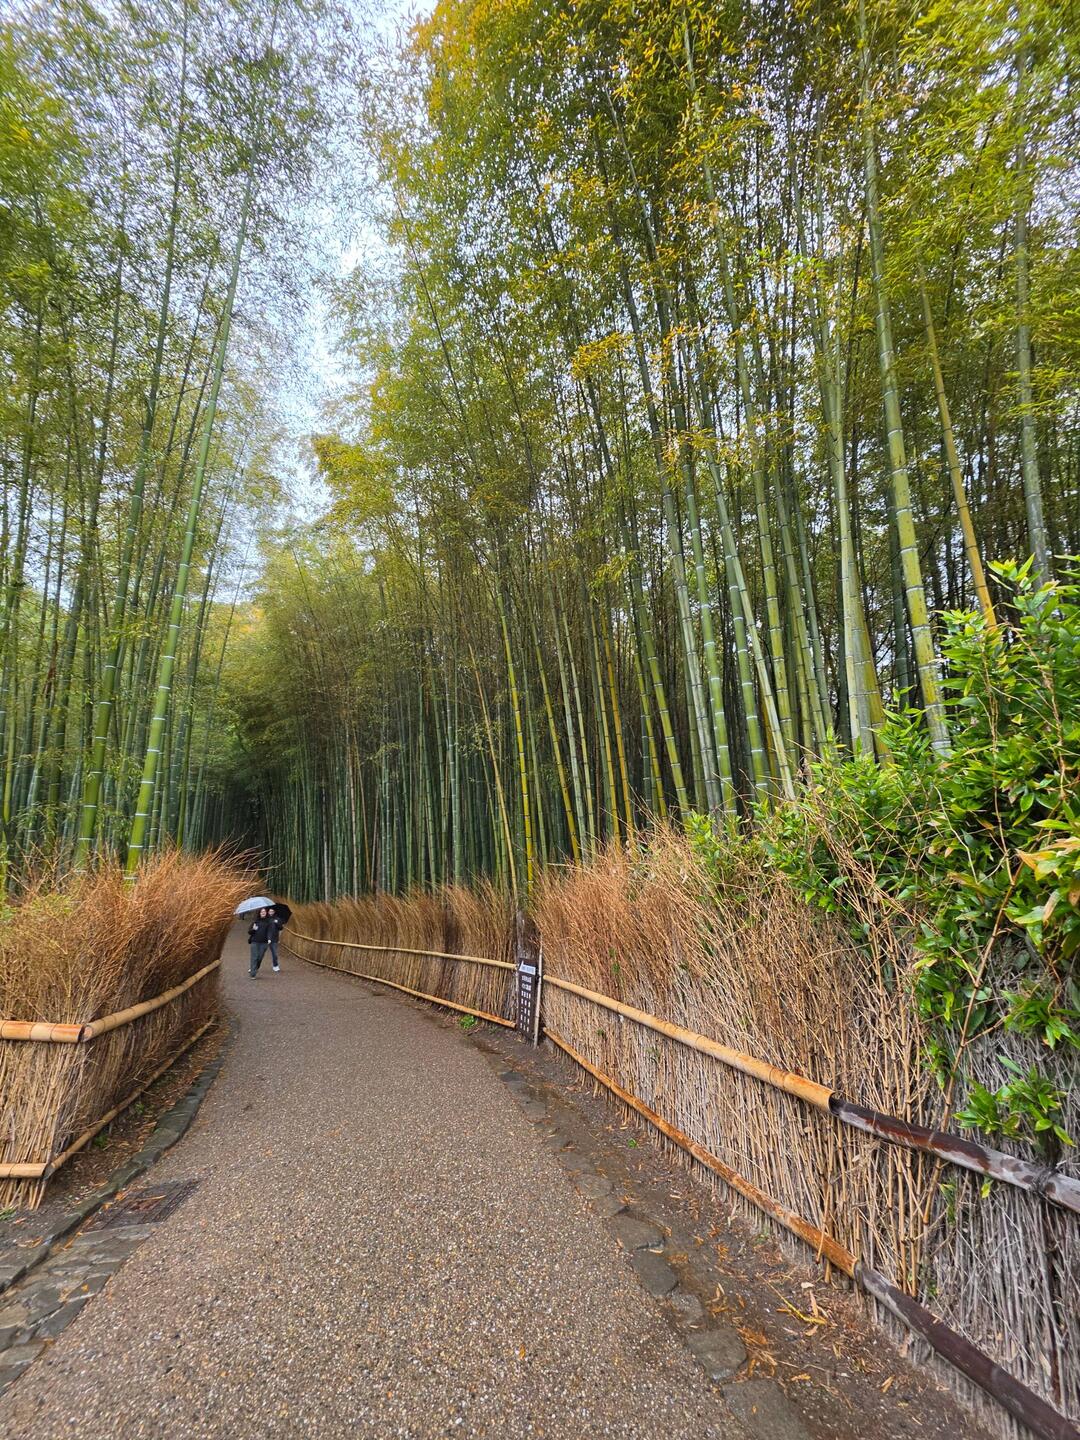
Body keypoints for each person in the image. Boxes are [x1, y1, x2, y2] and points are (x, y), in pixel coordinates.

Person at [248, 907, 271, 977]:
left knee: (260, 957)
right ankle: (253, 973)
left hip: (264, 943)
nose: (263, 913)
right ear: (259, 913)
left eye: (264, 911)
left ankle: (255, 968)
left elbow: (270, 932)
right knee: (254, 957)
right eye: (261, 912)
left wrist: (269, 939)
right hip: (255, 942)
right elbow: (249, 932)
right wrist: (253, 929)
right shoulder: (255, 922)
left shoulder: (268, 922)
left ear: (266, 913)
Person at [266, 905, 285, 973]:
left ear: (274, 912)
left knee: (274, 953)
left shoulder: (277, 919)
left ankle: (275, 965)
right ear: (268, 912)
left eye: (272, 911)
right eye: (270, 911)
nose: (271, 912)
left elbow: (281, 928)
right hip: (264, 938)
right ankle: (254, 967)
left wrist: (277, 923)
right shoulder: (265, 919)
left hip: (274, 938)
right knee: (260, 954)